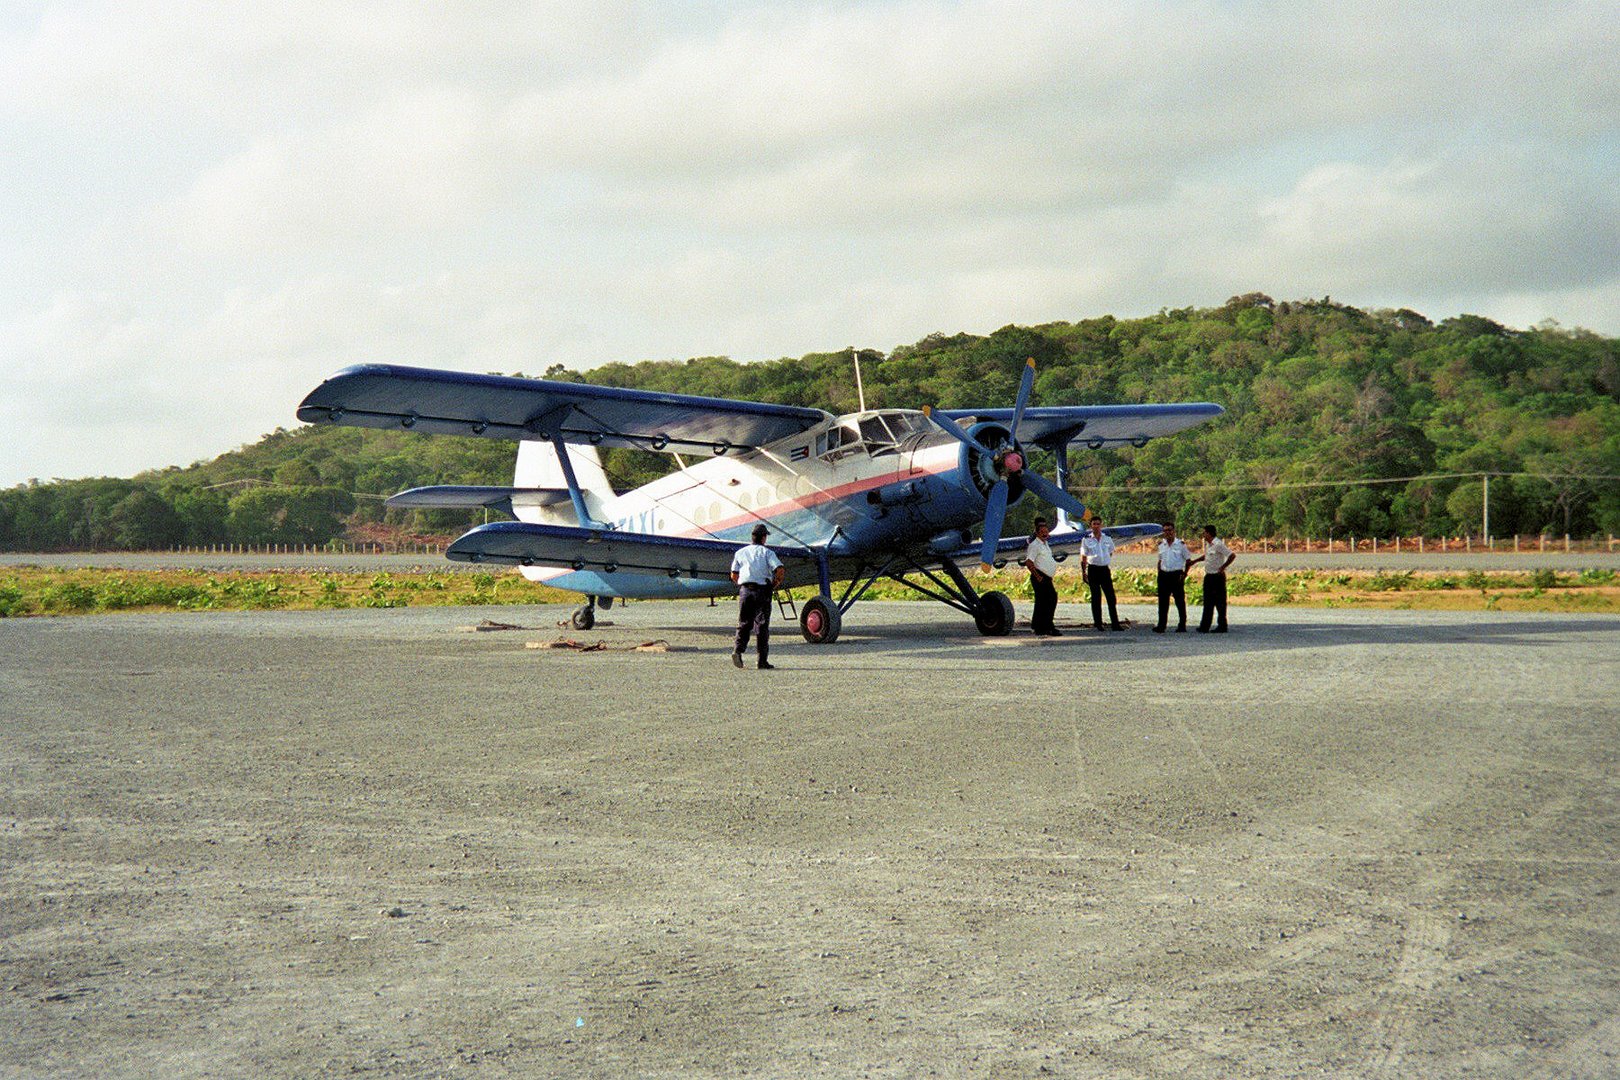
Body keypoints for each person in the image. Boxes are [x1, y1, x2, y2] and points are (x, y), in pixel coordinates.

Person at [730, 523, 785, 669]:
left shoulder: (740, 552)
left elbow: (734, 574)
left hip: (745, 591)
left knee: (743, 623)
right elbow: (779, 569)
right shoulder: (767, 553)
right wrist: (775, 583)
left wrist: (743, 586)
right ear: (764, 538)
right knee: (762, 625)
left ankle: (738, 650)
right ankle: (762, 661)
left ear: (752, 537)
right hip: (762, 591)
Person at [1079, 516, 1124, 631]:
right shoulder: (1086, 540)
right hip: (1093, 570)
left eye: (1098, 524)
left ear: (1101, 525)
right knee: (1096, 597)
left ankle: (1115, 623)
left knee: (1111, 597)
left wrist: (1104, 560)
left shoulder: (1107, 538)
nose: (1096, 526)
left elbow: (1110, 552)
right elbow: (1083, 557)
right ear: (1091, 526)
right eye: (1094, 524)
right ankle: (1098, 623)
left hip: (1104, 570)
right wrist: (1084, 572)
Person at [1189, 524, 1236, 633]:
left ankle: (1222, 626)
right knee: (1207, 602)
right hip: (1209, 576)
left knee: (1220, 602)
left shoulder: (1218, 544)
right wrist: (1195, 561)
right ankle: (1204, 626)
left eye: (1204, 532)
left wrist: (1223, 567)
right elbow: (1206, 556)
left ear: (1209, 533)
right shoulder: (1208, 545)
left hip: (1217, 576)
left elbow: (1231, 555)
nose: (1203, 535)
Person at [1021, 516, 1060, 636]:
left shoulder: (1045, 544)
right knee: (1045, 602)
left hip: (1046, 578)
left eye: (1046, 532)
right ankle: (1042, 627)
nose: (1045, 534)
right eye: (1042, 532)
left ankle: (1044, 625)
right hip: (1040, 577)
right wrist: (1038, 576)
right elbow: (1028, 562)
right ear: (1037, 533)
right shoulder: (1035, 545)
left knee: (1048, 601)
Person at [1154, 522, 1191, 633]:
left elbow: (1188, 560)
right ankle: (1161, 625)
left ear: (1174, 531)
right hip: (1164, 575)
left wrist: (1185, 573)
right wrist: (1159, 572)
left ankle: (1182, 625)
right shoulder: (1161, 545)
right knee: (1163, 602)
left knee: (1179, 601)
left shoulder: (1181, 545)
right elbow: (1160, 560)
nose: (1168, 533)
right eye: (1165, 530)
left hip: (1176, 575)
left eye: (1169, 530)